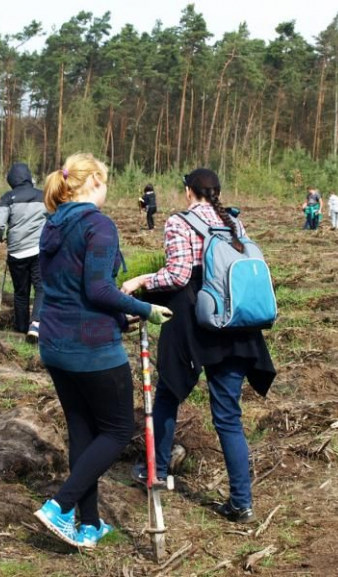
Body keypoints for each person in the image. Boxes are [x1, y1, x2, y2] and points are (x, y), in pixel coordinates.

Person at [33, 153, 172, 549]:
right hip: (91, 348)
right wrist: (146, 309)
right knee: (116, 430)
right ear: (94, 180)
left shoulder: (52, 225)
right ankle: (59, 506)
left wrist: (116, 318)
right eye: (106, 181)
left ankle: (88, 524)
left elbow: (65, 287)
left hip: (55, 344)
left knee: (83, 430)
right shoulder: (98, 225)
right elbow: (98, 289)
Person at [122, 168, 276, 523]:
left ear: (189, 191)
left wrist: (141, 281)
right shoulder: (235, 224)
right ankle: (241, 502)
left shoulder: (180, 222)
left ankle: (156, 470)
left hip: (195, 322)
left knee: (168, 395)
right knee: (228, 418)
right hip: (237, 324)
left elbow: (177, 275)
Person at [0, 163, 47, 342]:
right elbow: (54, 217)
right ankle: (36, 324)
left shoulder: (8, 197)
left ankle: (21, 327)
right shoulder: (43, 195)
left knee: (20, 292)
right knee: (41, 288)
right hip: (39, 250)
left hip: (16, 252)